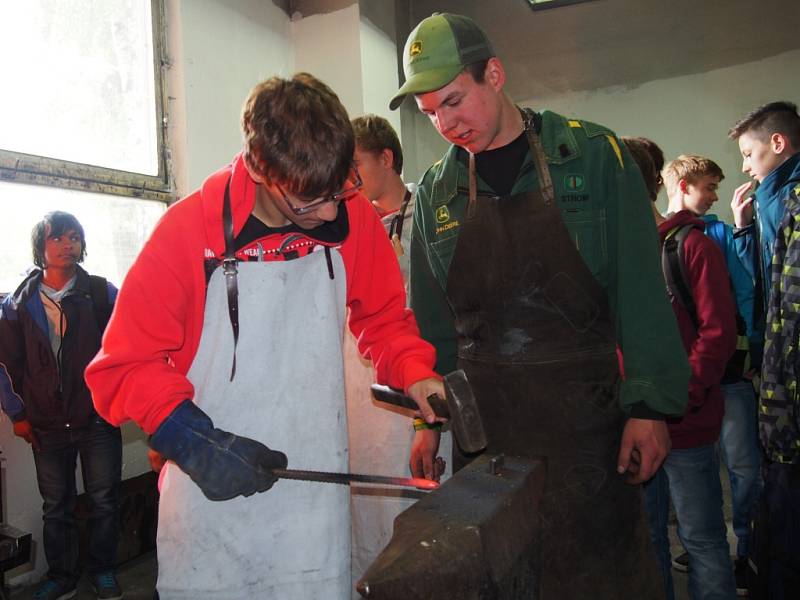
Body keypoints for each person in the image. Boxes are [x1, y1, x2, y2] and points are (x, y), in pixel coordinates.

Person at [84, 73, 444, 600]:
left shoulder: (352, 217)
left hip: (311, 515)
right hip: (210, 512)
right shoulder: (187, 234)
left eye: (338, 192)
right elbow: (122, 366)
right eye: (308, 203)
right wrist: (189, 437)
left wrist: (416, 373)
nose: (329, 214)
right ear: (258, 168)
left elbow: (384, 319)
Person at [391, 13, 690, 598]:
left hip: (590, 428)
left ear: (494, 74)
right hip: (487, 437)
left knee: (599, 576)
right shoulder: (434, 194)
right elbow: (433, 329)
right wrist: (429, 422)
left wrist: (650, 407)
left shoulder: (593, 156)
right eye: (430, 113)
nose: (446, 123)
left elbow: (639, 290)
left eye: (454, 101)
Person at [346, 114, 450, 587]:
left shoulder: (427, 221)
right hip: (362, 404)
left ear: (386, 159)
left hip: (411, 392)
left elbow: (427, 320)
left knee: (415, 518)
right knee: (367, 520)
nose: (347, 179)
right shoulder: (344, 224)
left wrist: (421, 421)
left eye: (356, 166)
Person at [0, 211, 122, 600]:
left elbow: (127, 349)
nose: (68, 245)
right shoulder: (16, 305)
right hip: (46, 422)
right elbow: (5, 365)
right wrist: (16, 414)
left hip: (98, 417)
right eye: (58, 238)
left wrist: (120, 400)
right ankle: (62, 576)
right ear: (41, 247)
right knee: (56, 507)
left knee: (104, 501)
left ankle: (103, 570)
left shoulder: (103, 294)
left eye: (74, 237)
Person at [658, 154, 762, 594]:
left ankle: (749, 552)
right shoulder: (656, 242)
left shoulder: (704, 237)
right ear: (681, 185)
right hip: (670, 407)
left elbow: (726, 318)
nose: (715, 195)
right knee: (670, 528)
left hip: (713, 388)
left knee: (740, 469)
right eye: (709, 186)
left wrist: (690, 390)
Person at [642, 155, 739, 600]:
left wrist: (680, 398)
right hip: (638, 427)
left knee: (701, 540)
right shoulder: (623, 253)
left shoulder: (691, 246)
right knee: (649, 542)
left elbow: (717, 333)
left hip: (686, 425)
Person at [729, 101, 800, 597]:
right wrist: (745, 226)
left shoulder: (786, 197)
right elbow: (769, 285)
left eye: (750, 154)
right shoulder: (771, 202)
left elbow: (777, 303)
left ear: (778, 143)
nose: (746, 167)